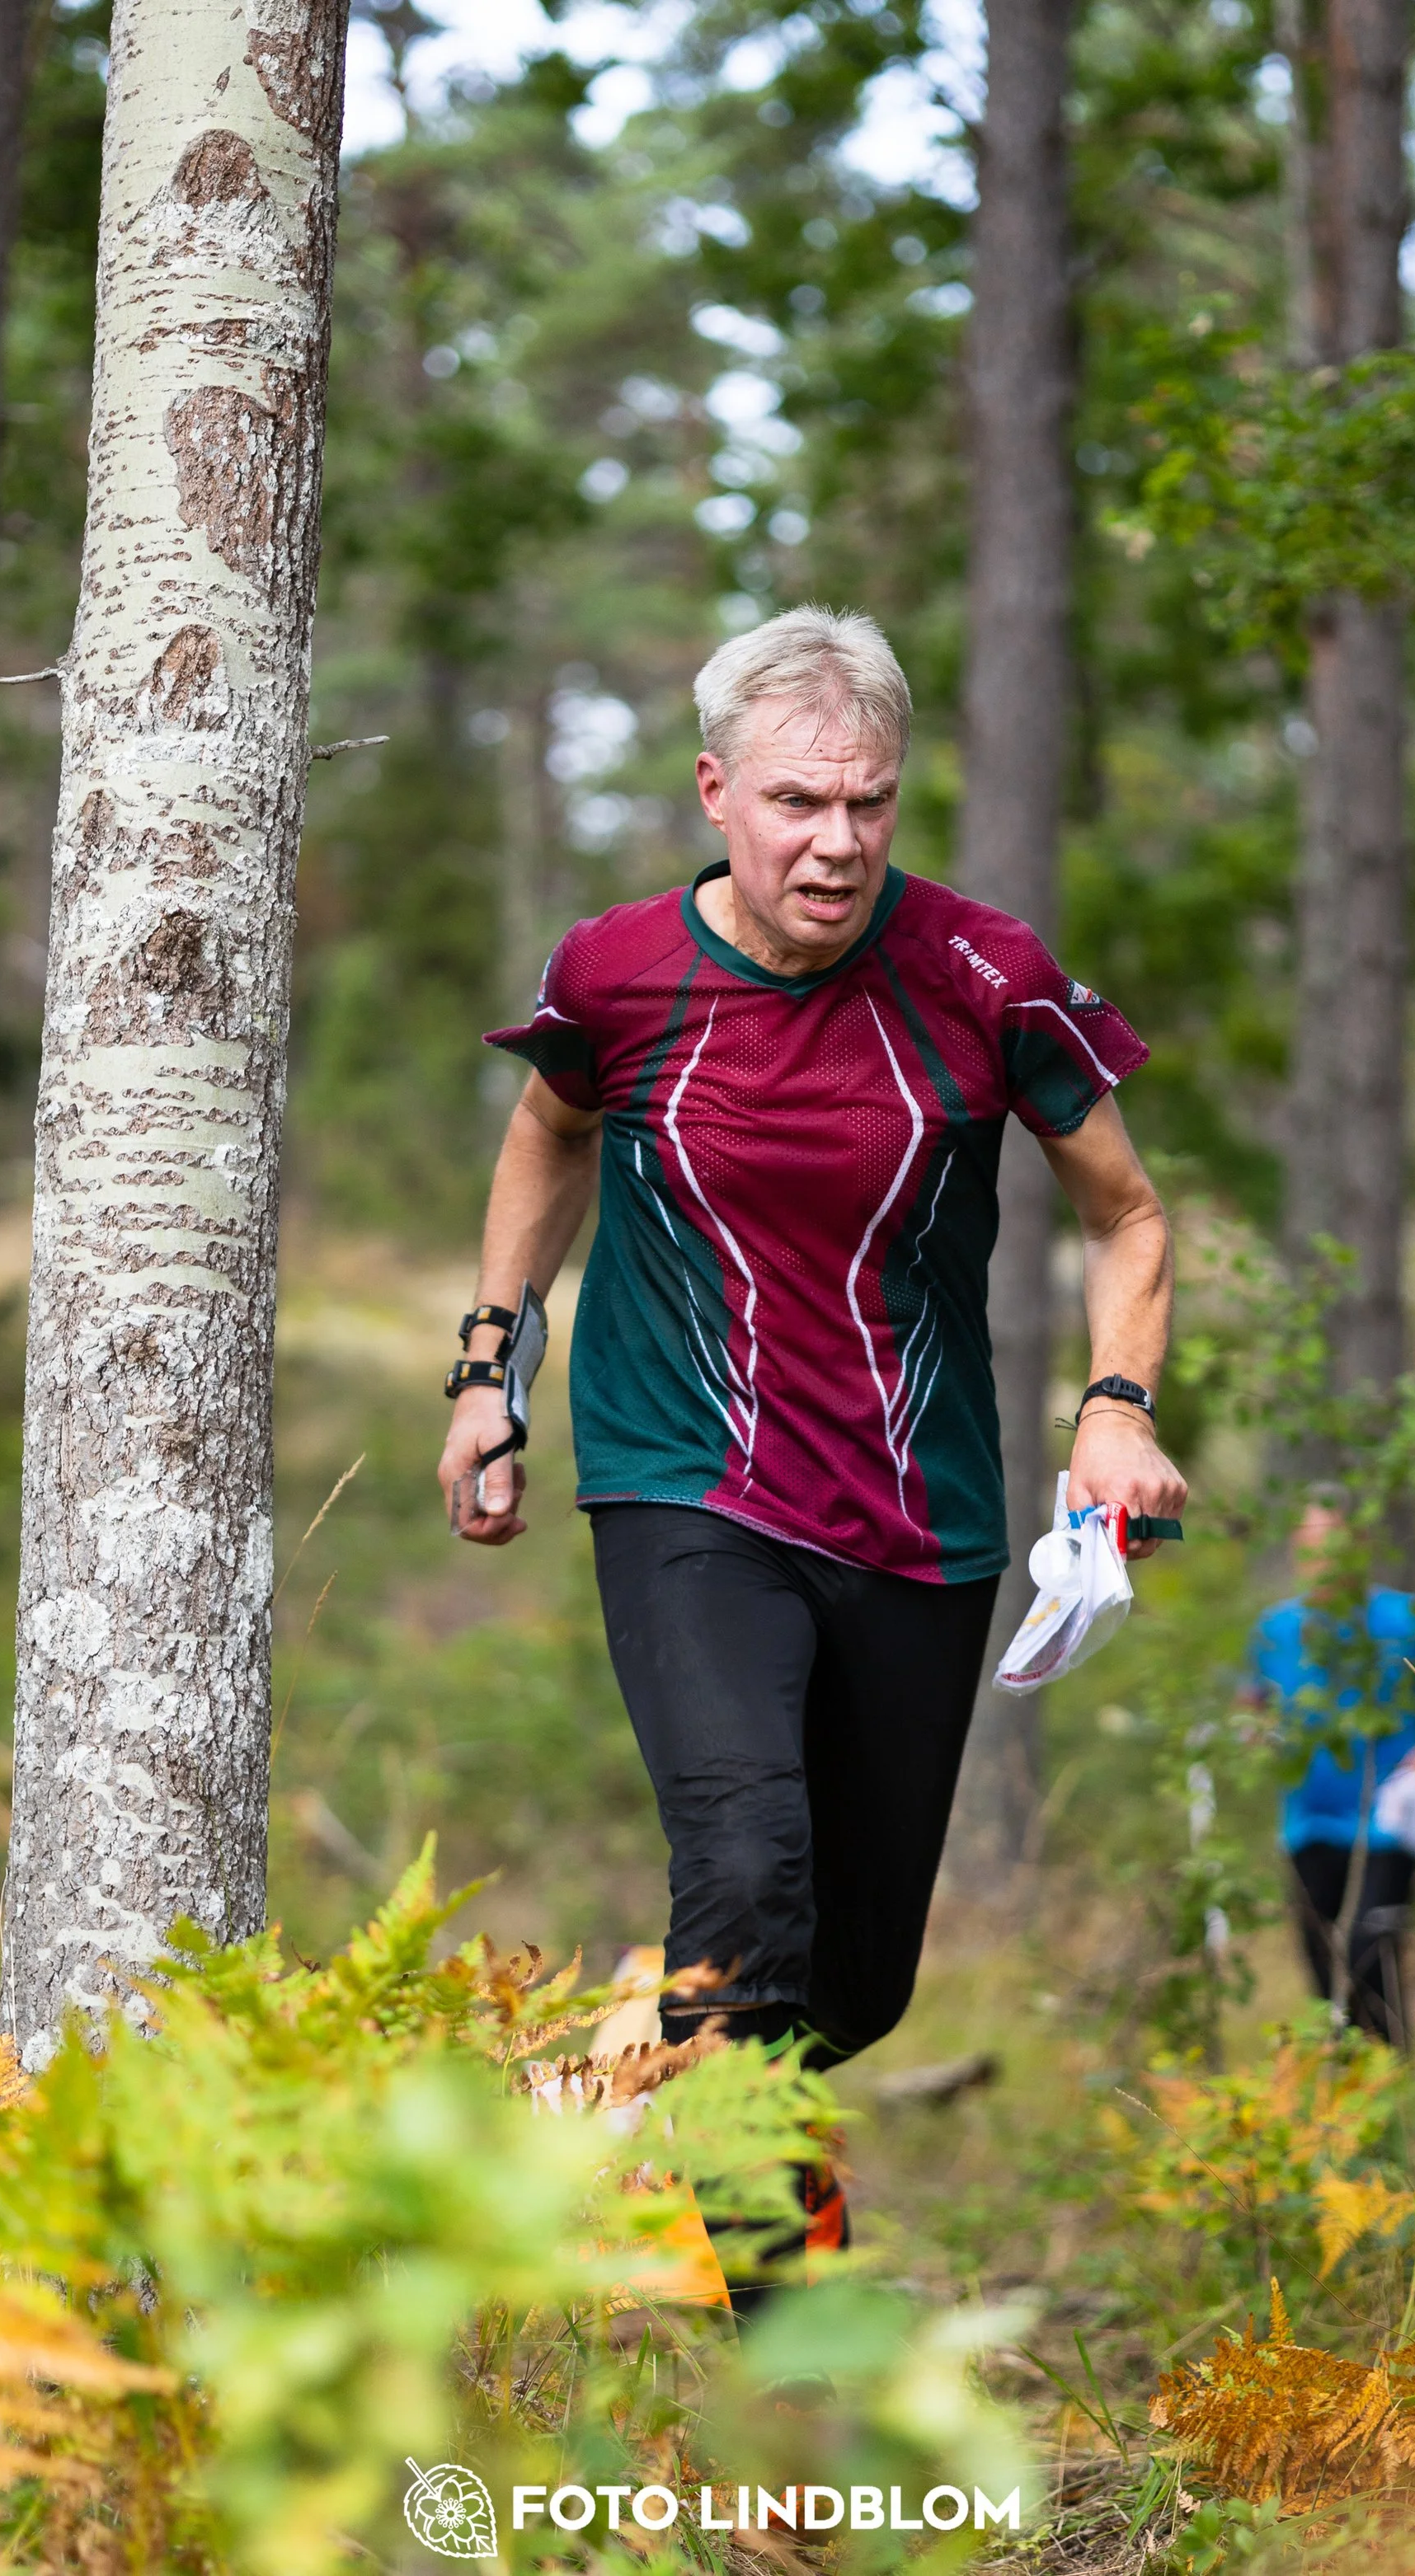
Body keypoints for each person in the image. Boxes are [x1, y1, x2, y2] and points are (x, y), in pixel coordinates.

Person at [436, 606, 1187, 2095]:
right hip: (684, 1485)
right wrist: (487, 1371)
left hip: (922, 1517)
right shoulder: (618, 973)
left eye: (868, 801)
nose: (837, 843)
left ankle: (583, 2099)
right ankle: (789, 2325)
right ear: (716, 794)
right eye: (796, 802)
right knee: (747, 1877)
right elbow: (551, 1134)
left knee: (848, 1990)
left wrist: (1115, 1409)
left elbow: (1129, 1214)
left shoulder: (987, 974)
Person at [1246, 1494, 1415, 2047]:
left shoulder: (1409, 1620)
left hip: (1388, 1824)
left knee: (1369, 1957)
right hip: (1306, 1822)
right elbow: (1253, 1701)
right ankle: (1350, 2099)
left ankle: (1396, 2087)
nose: (1322, 1556)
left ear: (1360, 1550)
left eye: (1335, 1543)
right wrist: (1254, 1736)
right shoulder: (1277, 1628)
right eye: (1311, 1544)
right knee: (1324, 1967)